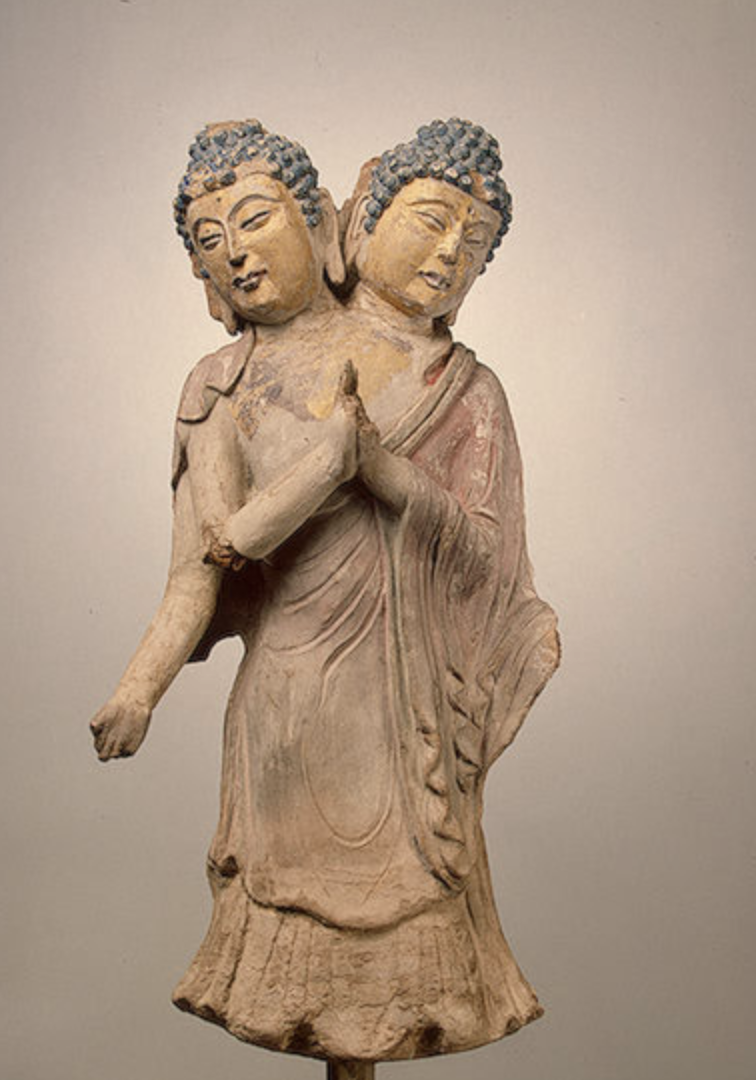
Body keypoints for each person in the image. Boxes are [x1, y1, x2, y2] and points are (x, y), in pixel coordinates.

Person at [92, 117, 559, 1064]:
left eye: (256, 222)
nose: (238, 255)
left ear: (322, 225)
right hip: (288, 712)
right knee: (296, 964)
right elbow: (205, 567)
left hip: (410, 714)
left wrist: (380, 471)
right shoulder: (221, 385)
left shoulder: (463, 388)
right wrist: (138, 691)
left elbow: (489, 560)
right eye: (212, 242)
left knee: (405, 960)